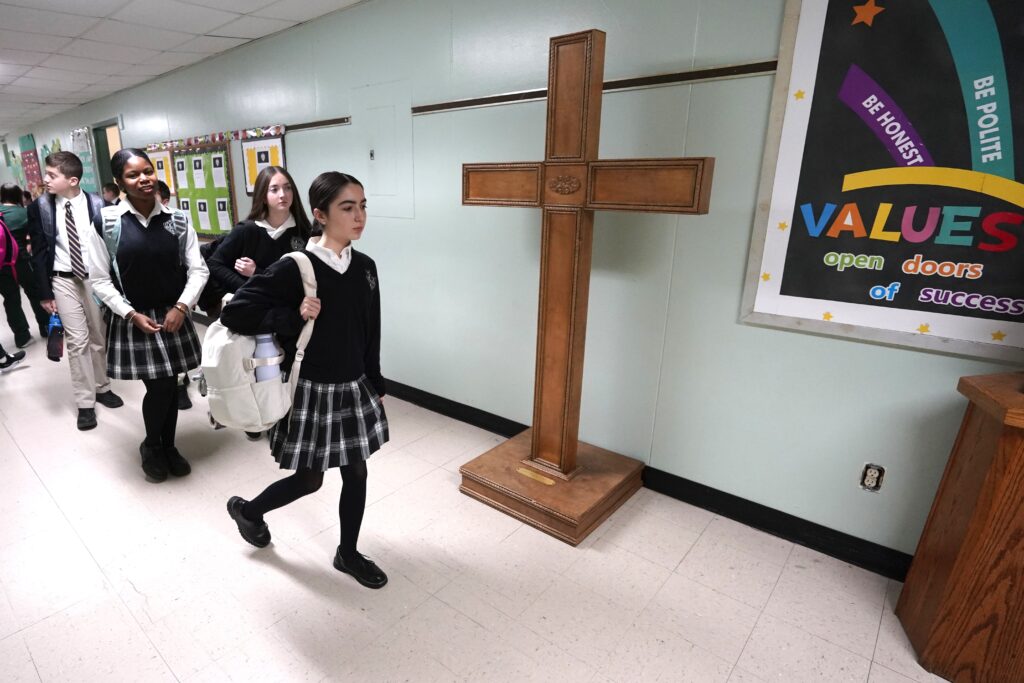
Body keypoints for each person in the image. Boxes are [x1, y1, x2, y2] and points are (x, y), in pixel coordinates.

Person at [221, 172, 389, 588]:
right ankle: (249, 511)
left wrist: (376, 382)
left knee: (357, 473)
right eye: (347, 208)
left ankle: (347, 553)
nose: (359, 216)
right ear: (319, 214)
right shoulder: (296, 266)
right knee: (309, 479)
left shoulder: (365, 267)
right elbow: (234, 313)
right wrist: (290, 313)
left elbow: (372, 329)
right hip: (313, 389)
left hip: (353, 386)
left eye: (363, 206)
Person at [84, 148, 209, 482]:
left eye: (148, 171)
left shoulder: (177, 220)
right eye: (133, 175)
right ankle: (153, 446)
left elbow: (198, 269)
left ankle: (165, 446)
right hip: (135, 319)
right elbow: (98, 278)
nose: (144, 179)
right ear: (119, 182)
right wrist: (129, 314)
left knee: (168, 385)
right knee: (160, 387)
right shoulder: (107, 222)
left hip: (174, 315)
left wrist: (182, 307)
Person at [208, 165, 313, 437]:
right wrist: (247, 287)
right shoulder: (247, 230)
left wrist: (258, 273)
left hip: (289, 312)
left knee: (286, 366)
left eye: (288, 188)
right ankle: (253, 416)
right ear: (263, 195)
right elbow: (215, 263)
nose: (283, 194)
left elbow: (304, 275)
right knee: (255, 367)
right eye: (275, 189)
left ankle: (282, 415)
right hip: (255, 316)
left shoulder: (303, 232)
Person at [27, 152, 124, 431]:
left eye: (51, 175)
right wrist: (45, 294)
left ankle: (103, 386)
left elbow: (112, 247)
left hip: (94, 278)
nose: (45, 179)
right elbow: (40, 253)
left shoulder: (99, 205)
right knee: (77, 340)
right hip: (63, 280)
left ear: (72, 180)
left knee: (98, 335)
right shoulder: (41, 208)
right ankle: (85, 402)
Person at [0, 183, 50, 343]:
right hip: (21, 260)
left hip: (3, 264)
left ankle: (22, 337)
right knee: (34, 293)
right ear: (18, 196)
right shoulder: (23, 213)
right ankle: (45, 327)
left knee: (11, 298)